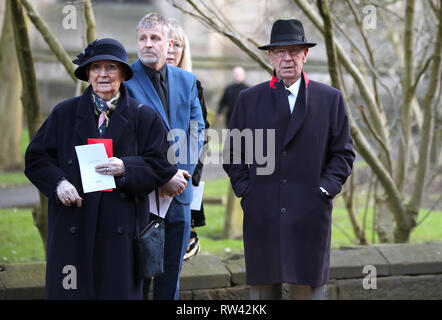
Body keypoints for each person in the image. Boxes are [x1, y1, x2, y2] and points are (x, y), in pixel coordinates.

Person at [24, 38, 182, 299]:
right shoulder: (64, 113)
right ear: (88, 73)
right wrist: (58, 183)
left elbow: (162, 166)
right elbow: (37, 158)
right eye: (96, 67)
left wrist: (126, 167)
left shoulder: (144, 116)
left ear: (122, 73)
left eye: (110, 67)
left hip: (122, 233)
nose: (102, 74)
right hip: (73, 227)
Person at [223, 19, 355, 300]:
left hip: (310, 214)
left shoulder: (329, 99)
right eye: (280, 51)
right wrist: (247, 192)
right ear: (270, 56)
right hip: (263, 214)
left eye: (294, 51)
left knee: (309, 291)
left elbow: (343, 153)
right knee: (262, 295)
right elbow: (233, 152)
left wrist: (324, 190)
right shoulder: (249, 99)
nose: (287, 58)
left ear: (305, 54)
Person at [125, 13, 205, 300]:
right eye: (142, 38)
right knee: (135, 277)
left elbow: (197, 130)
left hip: (179, 196)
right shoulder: (125, 81)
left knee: (170, 278)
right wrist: (162, 176)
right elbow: (127, 140)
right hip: (140, 196)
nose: (148, 44)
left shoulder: (187, 80)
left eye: (155, 38)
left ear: (169, 43)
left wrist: (178, 176)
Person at [167, 19, 210, 262]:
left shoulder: (194, 85)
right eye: (169, 43)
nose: (172, 50)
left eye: (178, 45)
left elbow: (201, 134)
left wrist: (190, 174)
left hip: (184, 175)